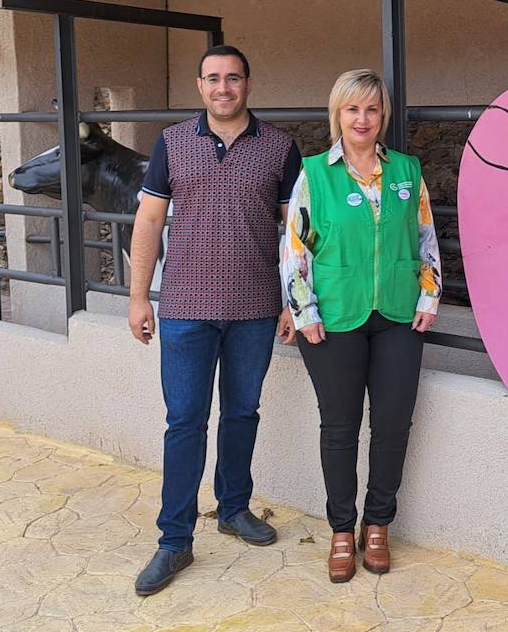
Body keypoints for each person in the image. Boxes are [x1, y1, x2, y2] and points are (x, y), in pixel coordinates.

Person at [127, 44, 301, 596]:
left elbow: (297, 232)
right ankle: (174, 540)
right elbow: (149, 219)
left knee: (242, 412)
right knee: (184, 423)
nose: (222, 88)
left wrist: (296, 300)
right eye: (212, 78)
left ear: (249, 84)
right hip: (183, 308)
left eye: (233, 78)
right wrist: (138, 297)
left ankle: (233, 508)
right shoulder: (173, 142)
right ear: (199, 85)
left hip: (254, 308)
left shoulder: (279, 147)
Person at [280, 68, 441, 583]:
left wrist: (430, 296)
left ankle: (379, 525)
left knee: (393, 425)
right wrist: (303, 312)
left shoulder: (407, 172)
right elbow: (295, 249)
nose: (362, 119)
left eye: (372, 109)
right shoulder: (315, 174)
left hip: (397, 315)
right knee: (340, 427)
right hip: (334, 318)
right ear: (338, 115)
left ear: (383, 116)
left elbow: (425, 239)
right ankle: (342, 531)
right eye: (352, 109)